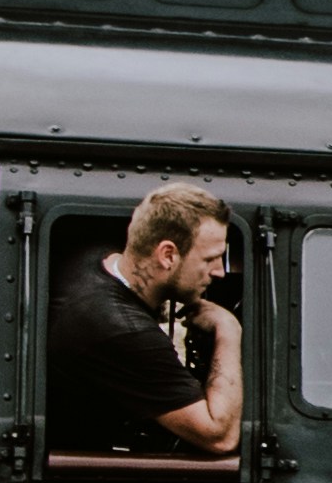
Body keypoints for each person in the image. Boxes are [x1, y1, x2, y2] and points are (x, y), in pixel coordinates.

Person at [45, 185, 242, 462]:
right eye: (210, 259)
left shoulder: (94, 257)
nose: (219, 272)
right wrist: (228, 330)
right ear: (168, 255)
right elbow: (219, 436)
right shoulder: (122, 331)